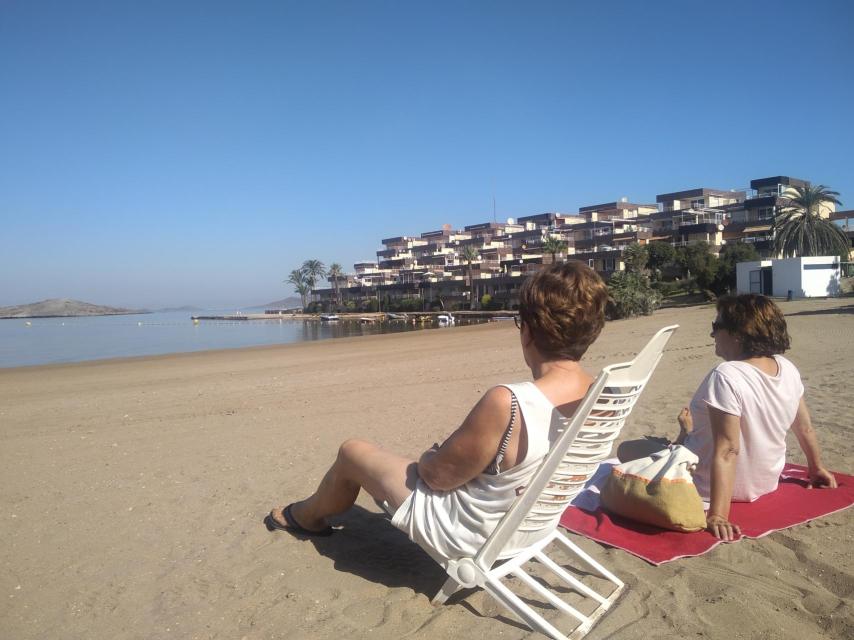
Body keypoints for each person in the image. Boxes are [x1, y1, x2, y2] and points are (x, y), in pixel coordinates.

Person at [266, 261, 609, 562]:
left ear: (528, 331)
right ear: (593, 331)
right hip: (532, 524)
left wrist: (430, 456)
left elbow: (438, 478)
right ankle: (310, 511)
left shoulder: (510, 402)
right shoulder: (604, 394)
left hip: (474, 534)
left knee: (352, 451)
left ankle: (306, 517)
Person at [617, 294, 837, 541]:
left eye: (716, 327)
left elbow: (728, 449)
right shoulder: (787, 368)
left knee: (626, 450)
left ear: (738, 334)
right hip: (765, 482)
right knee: (671, 442)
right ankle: (680, 438)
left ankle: (677, 442)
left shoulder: (727, 375)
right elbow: (804, 428)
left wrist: (717, 514)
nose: (712, 335)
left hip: (706, 483)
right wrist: (816, 468)